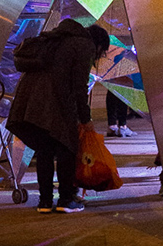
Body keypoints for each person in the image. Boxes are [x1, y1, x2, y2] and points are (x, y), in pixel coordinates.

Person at [7, 19, 110, 213]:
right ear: (98, 45)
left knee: (44, 150)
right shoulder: (83, 45)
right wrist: (85, 119)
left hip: (30, 103)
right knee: (66, 147)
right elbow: (79, 87)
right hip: (56, 102)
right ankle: (65, 199)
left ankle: (45, 202)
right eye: (101, 52)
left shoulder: (56, 38)